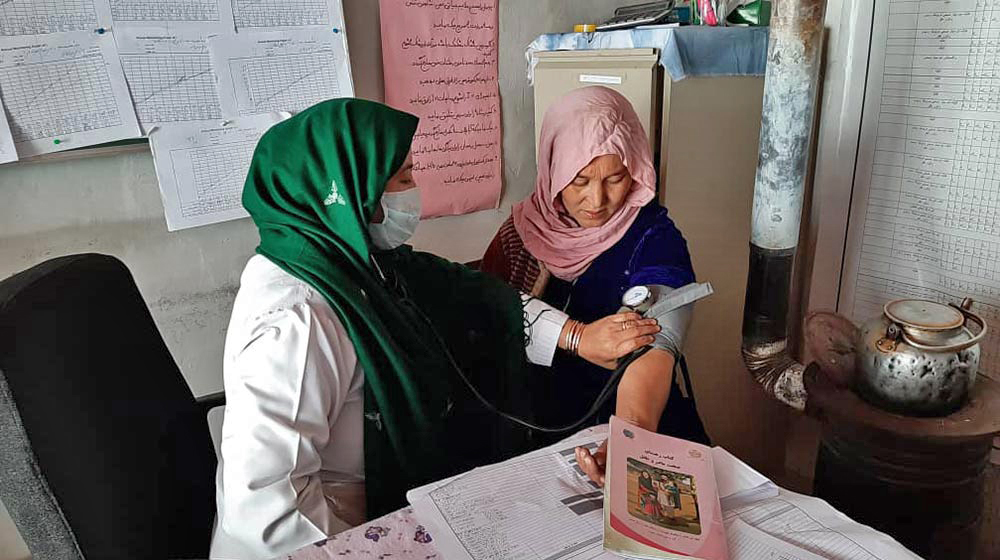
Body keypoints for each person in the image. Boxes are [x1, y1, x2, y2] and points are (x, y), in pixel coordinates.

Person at [209, 98, 660, 560]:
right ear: (350, 191)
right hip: (330, 538)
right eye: (403, 178)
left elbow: (477, 298)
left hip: (382, 513)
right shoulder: (297, 320)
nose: (414, 192)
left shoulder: (365, 266)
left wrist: (576, 337)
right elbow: (267, 514)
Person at [481, 86, 710, 485]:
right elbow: (484, 321)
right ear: (553, 170)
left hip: (639, 428)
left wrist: (630, 443)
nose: (597, 199)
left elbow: (656, 348)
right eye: (580, 180)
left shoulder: (654, 238)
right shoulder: (519, 236)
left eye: (616, 178)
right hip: (537, 432)